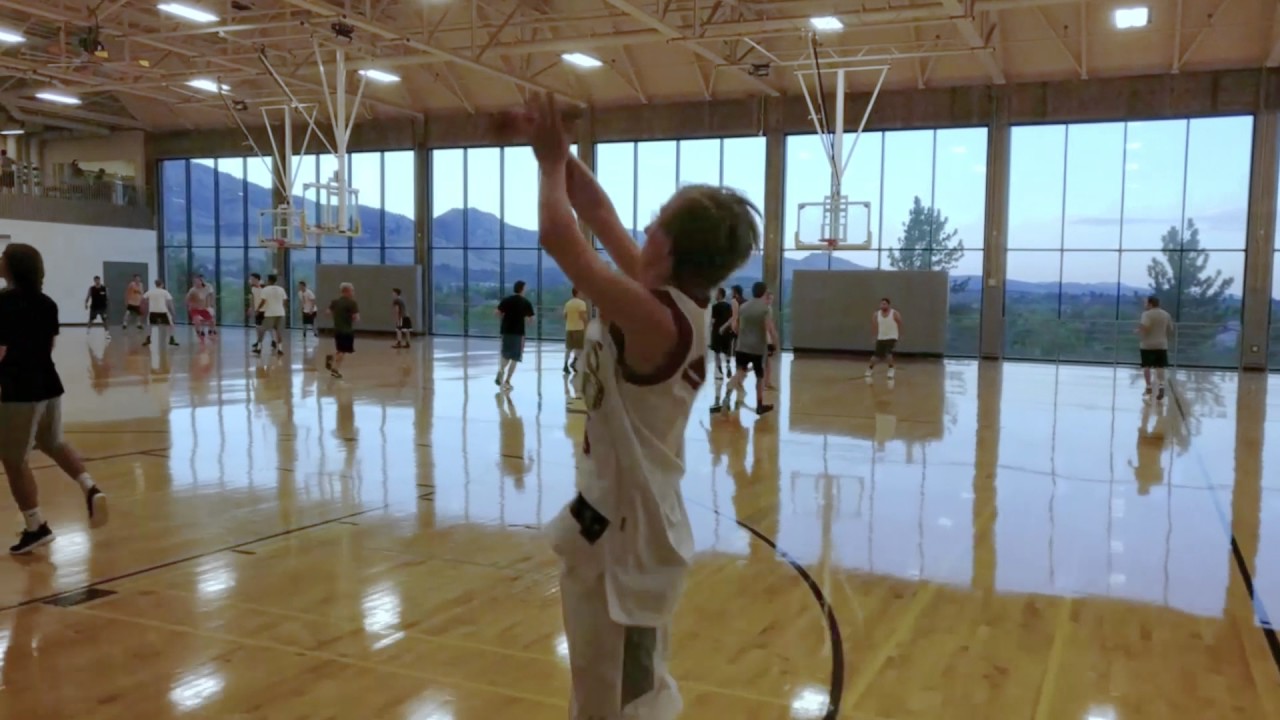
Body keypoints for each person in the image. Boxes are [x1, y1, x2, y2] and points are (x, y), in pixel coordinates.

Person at [516, 93, 759, 719]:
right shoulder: (663, 295)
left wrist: (548, 168)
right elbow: (596, 212)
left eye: (655, 224)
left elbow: (562, 240)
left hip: (628, 539)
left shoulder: (656, 320)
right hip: (616, 523)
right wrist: (556, 148)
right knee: (605, 690)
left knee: (625, 700)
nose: (643, 229)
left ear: (669, 251)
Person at [0, 244, 108, 553]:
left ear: (12, 266)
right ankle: (89, 486)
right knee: (52, 441)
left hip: (19, 390)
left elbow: (1, 351)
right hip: (49, 383)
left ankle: (36, 527)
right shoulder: (48, 304)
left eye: (3, 257)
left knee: (13, 458)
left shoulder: (4, 303)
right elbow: (48, 348)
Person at [722, 281, 777, 415]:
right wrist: (774, 344)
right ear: (764, 292)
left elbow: (735, 326)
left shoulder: (743, 306)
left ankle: (728, 393)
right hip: (757, 348)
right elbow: (769, 329)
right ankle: (759, 405)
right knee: (759, 376)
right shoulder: (765, 308)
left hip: (742, 347)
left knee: (740, 372)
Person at [495, 280, 535, 390]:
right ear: (522, 289)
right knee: (515, 357)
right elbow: (531, 319)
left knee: (505, 354)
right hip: (518, 332)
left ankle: (501, 370)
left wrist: (505, 318)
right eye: (525, 288)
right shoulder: (525, 302)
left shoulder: (507, 300)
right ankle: (507, 381)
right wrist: (526, 320)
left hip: (506, 331)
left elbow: (497, 313)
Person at [1138, 294, 1173, 401]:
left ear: (1150, 303)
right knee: (1160, 366)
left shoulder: (1146, 314)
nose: (1144, 305)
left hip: (1147, 345)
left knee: (1147, 366)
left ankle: (1149, 387)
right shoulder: (1166, 314)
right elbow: (1170, 329)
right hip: (1161, 344)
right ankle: (1161, 386)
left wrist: (1138, 331)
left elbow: (1145, 327)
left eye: (1146, 303)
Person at [326, 282, 359, 379]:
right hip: (347, 330)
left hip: (337, 329)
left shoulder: (335, 302)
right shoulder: (352, 303)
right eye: (352, 290)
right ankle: (335, 369)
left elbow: (327, 312)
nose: (353, 292)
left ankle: (333, 363)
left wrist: (337, 316)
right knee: (343, 350)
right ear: (347, 291)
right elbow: (356, 318)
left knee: (341, 350)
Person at [866, 297, 902, 380]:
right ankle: (870, 369)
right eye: (881, 304)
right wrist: (874, 336)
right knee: (876, 356)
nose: (883, 305)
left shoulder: (894, 313)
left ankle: (891, 369)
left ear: (888, 305)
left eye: (884, 304)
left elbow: (900, 323)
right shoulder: (876, 314)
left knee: (888, 353)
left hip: (892, 336)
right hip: (881, 337)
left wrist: (899, 335)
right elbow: (874, 326)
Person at [254, 274, 287, 357]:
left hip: (270, 313)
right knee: (278, 331)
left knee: (262, 330)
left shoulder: (265, 289)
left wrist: (258, 309)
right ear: (275, 281)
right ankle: (280, 349)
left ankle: (259, 347)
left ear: (268, 280)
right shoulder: (281, 289)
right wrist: (280, 307)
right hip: (281, 312)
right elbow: (285, 300)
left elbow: (263, 301)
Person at [141, 279, 179, 348]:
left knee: (150, 325)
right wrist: (173, 312)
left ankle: (148, 339)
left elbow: (143, 299)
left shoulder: (150, 292)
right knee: (171, 325)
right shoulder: (165, 292)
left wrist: (146, 305)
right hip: (163, 311)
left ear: (155, 284)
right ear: (162, 284)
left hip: (153, 311)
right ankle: (171, 339)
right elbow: (170, 303)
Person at [709, 288, 734, 381]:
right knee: (726, 351)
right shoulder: (729, 306)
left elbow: (713, 321)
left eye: (716, 294)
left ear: (720, 295)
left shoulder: (715, 307)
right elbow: (731, 318)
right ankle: (727, 365)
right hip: (727, 331)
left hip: (717, 331)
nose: (715, 295)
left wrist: (710, 329)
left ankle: (719, 372)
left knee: (717, 353)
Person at [562, 287, 588, 374]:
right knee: (579, 348)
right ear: (578, 293)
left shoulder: (568, 303)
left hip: (569, 328)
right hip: (579, 328)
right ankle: (574, 362)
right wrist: (586, 324)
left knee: (569, 348)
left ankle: (565, 364)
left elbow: (565, 316)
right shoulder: (581, 303)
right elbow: (582, 316)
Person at [84, 275, 110, 340]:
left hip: (102, 308)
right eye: (96, 280)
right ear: (94, 281)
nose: (97, 281)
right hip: (94, 307)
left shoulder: (104, 288)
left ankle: (107, 334)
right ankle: (88, 332)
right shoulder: (91, 289)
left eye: (98, 280)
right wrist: (86, 303)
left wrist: (107, 306)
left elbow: (107, 298)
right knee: (91, 320)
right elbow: (88, 296)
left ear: (99, 280)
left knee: (105, 320)